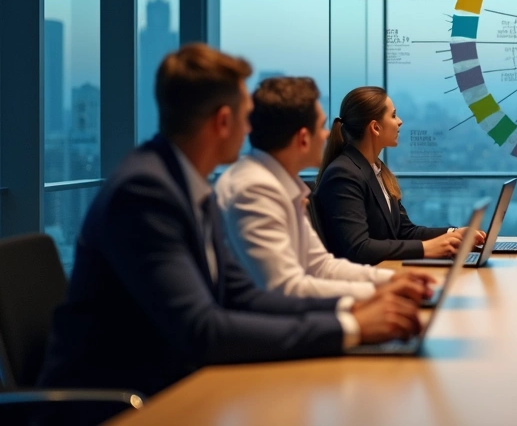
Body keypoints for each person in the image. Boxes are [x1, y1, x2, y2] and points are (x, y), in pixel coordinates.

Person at [39, 44, 429, 399]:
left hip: (172, 385)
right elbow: (201, 329)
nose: (251, 130)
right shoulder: (146, 192)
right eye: (245, 117)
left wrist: (355, 310)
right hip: (113, 405)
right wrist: (352, 326)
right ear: (223, 121)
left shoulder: (187, 185)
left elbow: (242, 296)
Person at [217, 77, 432, 299]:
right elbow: (285, 289)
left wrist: (393, 281)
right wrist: (374, 295)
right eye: (320, 127)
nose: (327, 134)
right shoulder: (254, 189)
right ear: (303, 139)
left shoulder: (282, 184)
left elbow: (321, 266)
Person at [313, 86, 485, 265]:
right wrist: (427, 249)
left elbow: (404, 231)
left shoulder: (376, 170)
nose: (400, 122)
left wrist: (454, 234)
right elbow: (359, 248)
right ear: (375, 127)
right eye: (394, 115)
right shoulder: (343, 174)